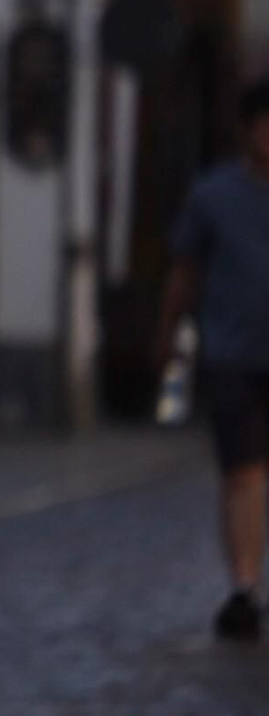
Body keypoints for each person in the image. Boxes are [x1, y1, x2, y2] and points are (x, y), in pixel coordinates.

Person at [155, 77, 269, 642]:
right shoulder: (213, 196)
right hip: (233, 355)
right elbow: (184, 273)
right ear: (247, 130)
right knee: (242, 473)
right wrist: (167, 335)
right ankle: (244, 587)